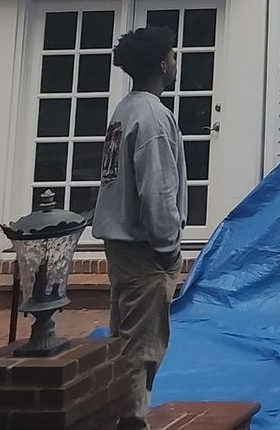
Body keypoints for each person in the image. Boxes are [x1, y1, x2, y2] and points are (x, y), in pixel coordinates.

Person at [93, 24, 187, 430]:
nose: (176, 60)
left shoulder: (126, 109)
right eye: (173, 54)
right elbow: (158, 190)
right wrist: (167, 247)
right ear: (162, 63)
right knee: (141, 347)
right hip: (144, 248)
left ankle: (122, 416)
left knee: (124, 337)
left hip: (121, 243)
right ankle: (131, 421)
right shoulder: (152, 117)